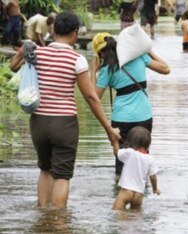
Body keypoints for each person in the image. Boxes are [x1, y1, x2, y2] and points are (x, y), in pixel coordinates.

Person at [10, 11, 120, 209]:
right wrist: (108, 128)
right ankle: (58, 222)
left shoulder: (36, 52)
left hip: (38, 122)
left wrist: (23, 49)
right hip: (65, 124)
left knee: (45, 169)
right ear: (75, 33)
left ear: (53, 30)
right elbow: (90, 97)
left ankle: (43, 217)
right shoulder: (76, 60)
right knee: (61, 175)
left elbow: (13, 66)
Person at [91, 32, 170, 176]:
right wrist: (147, 50)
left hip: (122, 120)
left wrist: (93, 71)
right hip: (144, 117)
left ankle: (121, 192)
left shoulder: (107, 69)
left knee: (122, 164)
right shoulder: (139, 57)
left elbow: (94, 97)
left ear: (100, 53)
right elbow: (166, 69)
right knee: (142, 158)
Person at [113, 126, 160, 210]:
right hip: (139, 194)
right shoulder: (150, 159)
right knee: (136, 218)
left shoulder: (129, 153)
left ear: (130, 142)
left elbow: (117, 153)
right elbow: (153, 178)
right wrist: (155, 189)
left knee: (117, 212)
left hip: (126, 191)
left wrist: (115, 140)